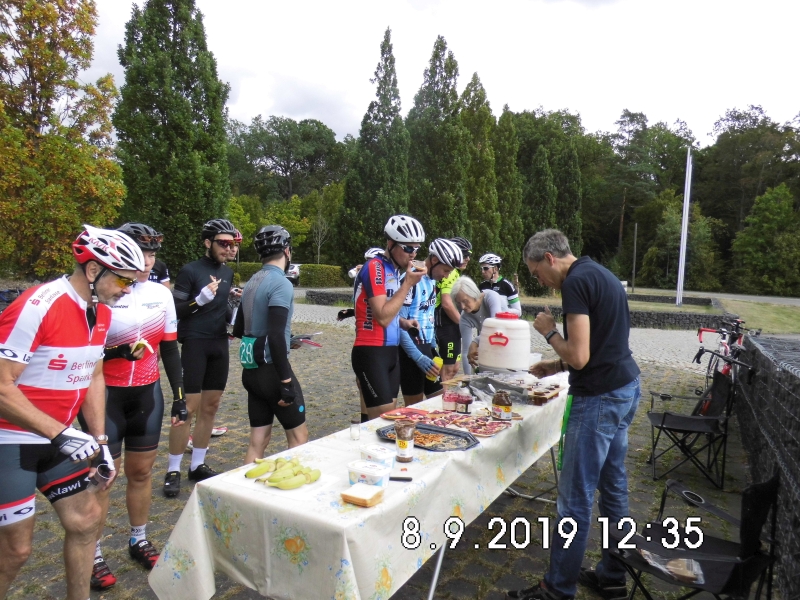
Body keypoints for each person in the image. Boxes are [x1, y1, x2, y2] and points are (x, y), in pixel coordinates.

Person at [0, 225, 143, 600]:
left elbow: (93, 375)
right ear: (94, 270)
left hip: (56, 437)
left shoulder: (101, 312)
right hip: (10, 438)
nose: (128, 290)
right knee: (16, 550)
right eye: (123, 280)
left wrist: (100, 441)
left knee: (86, 520)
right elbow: (1, 386)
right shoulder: (38, 305)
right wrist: (60, 433)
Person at [506, 229, 641, 600]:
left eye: (536, 272)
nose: (539, 281)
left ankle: (557, 588)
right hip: (625, 386)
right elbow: (601, 345)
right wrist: (554, 365)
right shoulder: (600, 273)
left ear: (549, 258)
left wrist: (549, 332)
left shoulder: (575, 283)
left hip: (599, 398)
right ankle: (613, 575)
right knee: (613, 488)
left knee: (574, 499)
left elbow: (580, 356)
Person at [79, 223, 185, 590]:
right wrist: (116, 352)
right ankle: (91, 552)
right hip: (105, 396)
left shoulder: (160, 294)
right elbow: (85, 353)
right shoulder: (102, 293)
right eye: (143, 252)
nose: (148, 260)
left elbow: (170, 348)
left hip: (146, 393)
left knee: (141, 473)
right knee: (103, 478)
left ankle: (138, 538)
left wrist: (180, 397)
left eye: (153, 253)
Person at [163, 218, 237, 497]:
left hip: (219, 343)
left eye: (232, 243)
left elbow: (223, 309)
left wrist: (235, 312)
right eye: (223, 243)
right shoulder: (190, 270)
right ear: (208, 242)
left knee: (211, 406)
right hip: (195, 343)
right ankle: (172, 470)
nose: (229, 248)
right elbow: (175, 310)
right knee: (187, 408)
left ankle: (197, 465)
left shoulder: (227, 273)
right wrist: (199, 301)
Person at [233, 226, 309, 463]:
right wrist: (286, 382)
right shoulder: (281, 284)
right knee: (298, 438)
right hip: (273, 372)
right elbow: (275, 335)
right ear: (287, 251)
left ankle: (246, 485)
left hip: (251, 372)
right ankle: (288, 485)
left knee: (258, 441)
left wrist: (288, 339)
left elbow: (239, 330)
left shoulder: (251, 282)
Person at [352, 215, 426, 420]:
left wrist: (403, 323)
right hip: (371, 351)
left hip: (390, 352)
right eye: (408, 248)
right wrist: (408, 284)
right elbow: (382, 317)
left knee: (387, 419)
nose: (413, 254)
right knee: (381, 421)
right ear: (391, 243)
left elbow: (387, 310)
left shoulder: (393, 269)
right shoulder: (375, 267)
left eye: (417, 248)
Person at [398, 239, 463, 405]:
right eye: (446, 270)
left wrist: (434, 348)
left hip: (427, 348)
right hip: (410, 353)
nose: (446, 275)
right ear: (434, 260)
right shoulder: (411, 278)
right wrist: (418, 357)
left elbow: (428, 316)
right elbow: (398, 325)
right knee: (415, 409)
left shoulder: (432, 280)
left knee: (439, 403)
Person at [450, 276, 509, 375]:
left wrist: (475, 341)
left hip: (510, 338)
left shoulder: (490, 297)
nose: (462, 307)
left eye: (465, 301)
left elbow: (496, 326)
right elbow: (466, 351)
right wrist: (468, 379)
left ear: (473, 295)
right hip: (492, 343)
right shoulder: (464, 317)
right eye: (458, 303)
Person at [434, 236, 472, 382]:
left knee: (454, 367)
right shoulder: (451, 274)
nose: (468, 258)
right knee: (448, 370)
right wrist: (462, 323)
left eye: (469, 255)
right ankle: (441, 395)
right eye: (464, 254)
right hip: (445, 325)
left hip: (451, 325)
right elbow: (446, 303)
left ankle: (441, 392)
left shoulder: (454, 273)